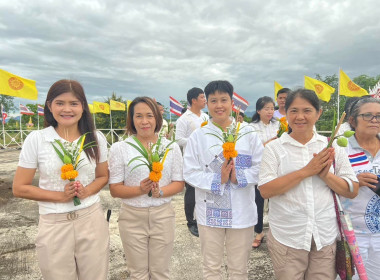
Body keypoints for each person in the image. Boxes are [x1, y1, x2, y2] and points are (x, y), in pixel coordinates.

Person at [12, 80, 110, 280]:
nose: (67, 109)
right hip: (54, 224)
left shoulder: (96, 138)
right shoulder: (37, 139)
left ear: (83, 106)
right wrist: (59, 196)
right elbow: (19, 188)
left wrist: (88, 191)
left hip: (91, 219)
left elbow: (103, 176)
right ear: (49, 106)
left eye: (74, 103)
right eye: (60, 103)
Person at [258, 88, 359, 280]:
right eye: (294, 111)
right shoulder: (274, 148)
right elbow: (266, 190)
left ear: (318, 113)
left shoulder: (332, 146)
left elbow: (351, 190)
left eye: (307, 110)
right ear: (285, 114)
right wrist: (306, 171)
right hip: (288, 237)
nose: (300, 117)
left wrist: (325, 175)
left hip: (325, 236)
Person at [183, 80, 264, 279]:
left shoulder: (248, 133)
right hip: (210, 212)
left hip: (242, 211)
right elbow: (189, 172)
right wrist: (218, 178)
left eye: (223, 100)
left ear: (232, 102)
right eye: (213, 101)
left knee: (239, 269)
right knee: (211, 268)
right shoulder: (198, 136)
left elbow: (262, 168)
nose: (219, 105)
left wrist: (239, 177)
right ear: (207, 104)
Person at [108, 96, 184, 279]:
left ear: (157, 118)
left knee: (160, 272)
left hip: (162, 215)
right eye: (138, 116)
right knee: (138, 273)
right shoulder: (120, 148)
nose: (144, 121)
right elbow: (115, 189)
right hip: (132, 217)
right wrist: (139, 190)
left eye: (149, 116)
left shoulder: (171, 147)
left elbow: (179, 183)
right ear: (132, 120)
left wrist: (161, 192)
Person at [340, 97, 380, 279]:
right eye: (368, 115)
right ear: (352, 120)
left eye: (379, 116)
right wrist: (353, 181)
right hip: (351, 233)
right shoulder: (341, 148)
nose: (375, 120)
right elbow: (326, 183)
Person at [176, 87, 208, 237]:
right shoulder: (184, 119)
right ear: (194, 100)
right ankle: (191, 222)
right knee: (191, 191)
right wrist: (196, 141)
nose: (205, 100)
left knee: (204, 189)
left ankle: (202, 218)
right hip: (191, 160)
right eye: (202, 97)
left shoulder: (206, 117)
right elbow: (178, 139)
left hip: (206, 160)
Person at [250, 96, 278, 248]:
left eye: (272, 108)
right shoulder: (251, 127)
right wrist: (269, 144)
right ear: (258, 110)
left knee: (275, 201)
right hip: (259, 168)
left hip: (276, 167)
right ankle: (258, 231)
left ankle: (274, 231)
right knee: (258, 202)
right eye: (266, 108)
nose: (270, 111)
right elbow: (251, 150)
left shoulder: (278, 125)